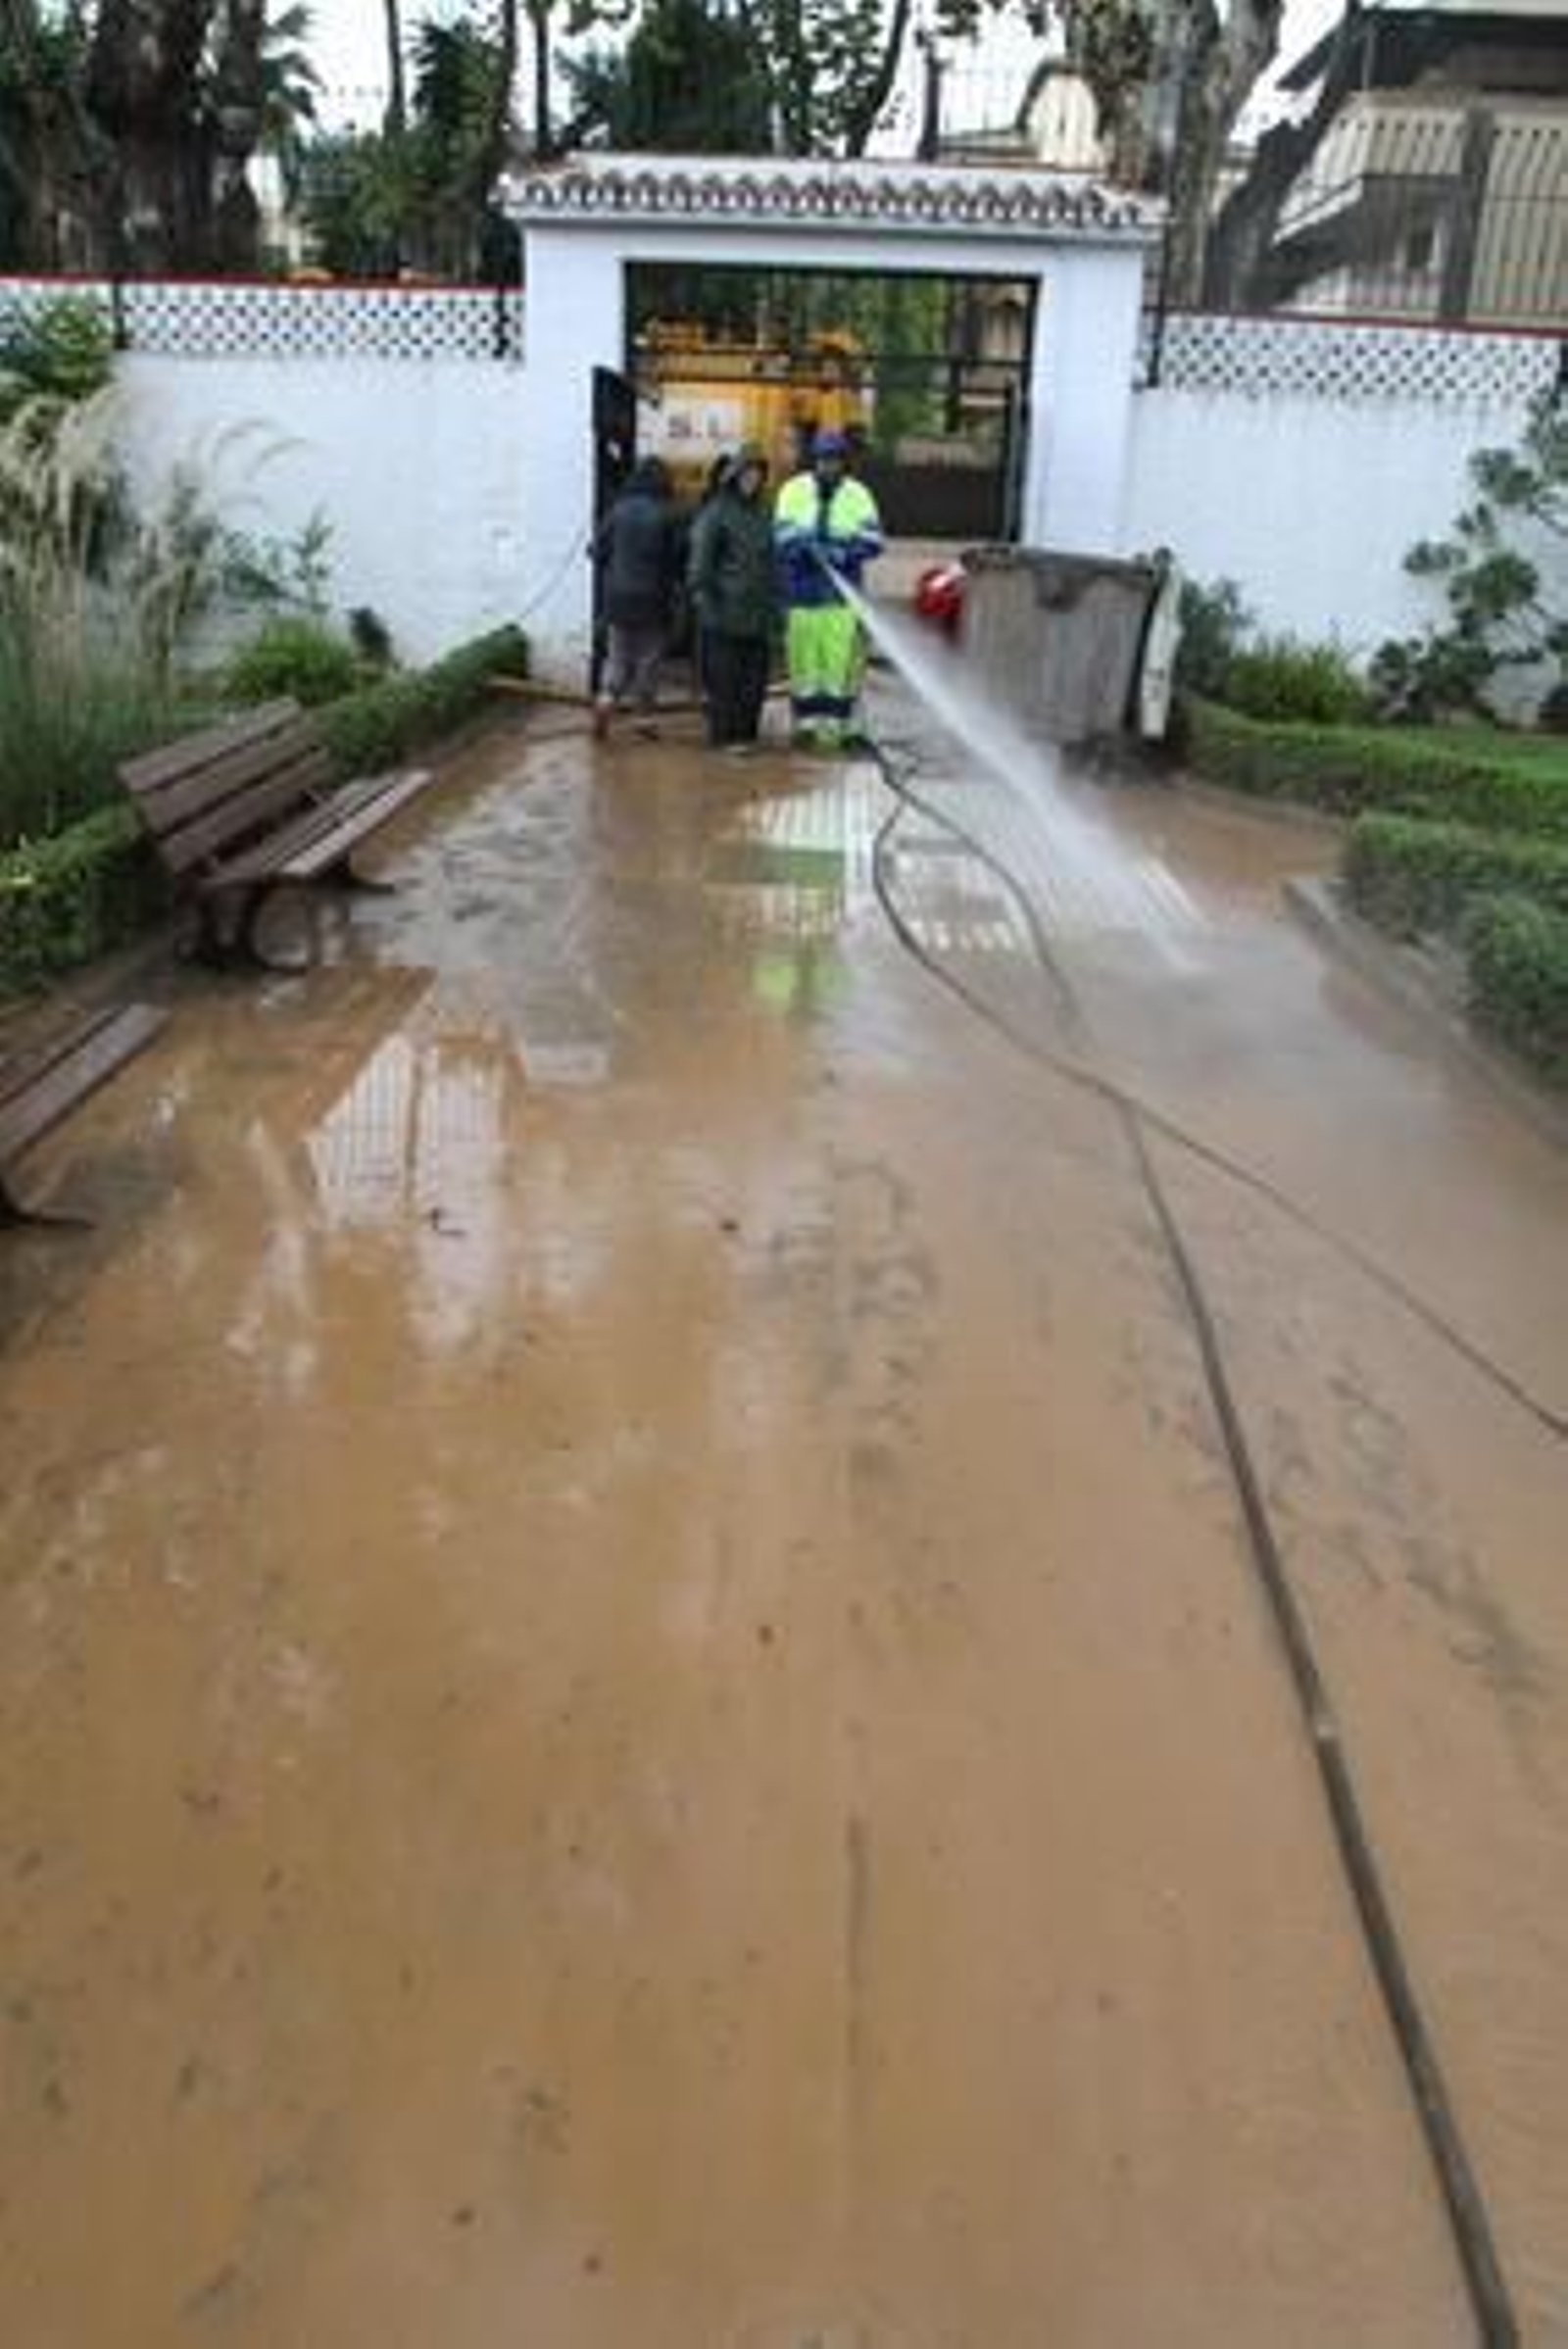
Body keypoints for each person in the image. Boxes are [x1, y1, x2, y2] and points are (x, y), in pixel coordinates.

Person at [773, 427, 884, 752]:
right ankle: (806, 729)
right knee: (804, 665)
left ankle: (840, 730)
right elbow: (780, 536)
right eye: (823, 460)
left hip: (841, 599)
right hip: (801, 595)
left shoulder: (859, 495)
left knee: (841, 667)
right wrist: (802, 546)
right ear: (814, 460)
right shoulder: (792, 491)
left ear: (844, 463)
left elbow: (874, 541)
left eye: (835, 461)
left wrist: (843, 552)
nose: (829, 467)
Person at [688, 444, 776, 757]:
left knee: (754, 684)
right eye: (747, 472)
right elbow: (700, 564)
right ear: (735, 475)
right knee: (725, 683)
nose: (753, 479)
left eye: (758, 473)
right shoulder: (717, 512)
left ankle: (746, 736)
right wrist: (705, 600)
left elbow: (773, 560)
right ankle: (725, 738)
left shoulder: (766, 513)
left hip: (759, 616)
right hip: (723, 616)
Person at [591, 456, 681, 740]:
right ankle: (643, 718)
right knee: (648, 659)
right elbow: (674, 559)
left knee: (617, 657)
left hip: (617, 599)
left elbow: (595, 551)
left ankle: (606, 698)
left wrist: (613, 563)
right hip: (653, 599)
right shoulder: (666, 514)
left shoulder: (618, 511)